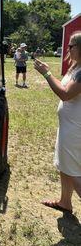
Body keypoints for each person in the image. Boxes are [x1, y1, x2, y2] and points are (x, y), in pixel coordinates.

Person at [34, 31, 81, 213]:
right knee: (65, 165)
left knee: (74, 172)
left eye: (71, 45)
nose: (67, 49)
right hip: (68, 126)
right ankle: (65, 202)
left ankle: (66, 201)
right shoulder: (75, 68)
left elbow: (65, 93)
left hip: (75, 129)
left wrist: (46, 74)